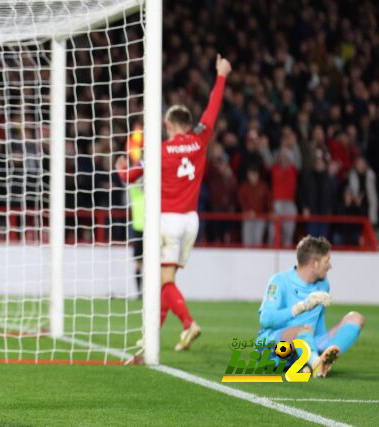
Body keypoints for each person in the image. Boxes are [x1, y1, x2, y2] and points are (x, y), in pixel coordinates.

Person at [117, 54, 231, 351]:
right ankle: (151, 335)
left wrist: (119, 167)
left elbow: (131, 176)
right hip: (191, 220)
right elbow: (213, 109)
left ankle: (188, 322)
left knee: (163, 282)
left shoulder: (160, 150)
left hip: (166, 221)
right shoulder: (201, 139)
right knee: (164, 280)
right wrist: (221, 75)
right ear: (189, 125)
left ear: (170, 126)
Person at [256, 236, 364, 378]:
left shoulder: (323, 284)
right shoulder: (279, 281)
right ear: (314, 263)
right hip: (275, 349)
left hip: (306, 344)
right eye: (327, 261)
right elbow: (266, 319)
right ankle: (315, 364)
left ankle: (321, 361)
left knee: (356, 318)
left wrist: (320, 341)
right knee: (301, 330)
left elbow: (319, 321)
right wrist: (300, 307)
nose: (330, 266)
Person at [115, 124, 145, 297]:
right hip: (140, 225)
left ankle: (144, 291)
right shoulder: (137, 183)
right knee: (139, 262)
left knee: (141, 262)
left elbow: (127, 177)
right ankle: (141, 292)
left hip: (142, 226)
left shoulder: (135, 183)